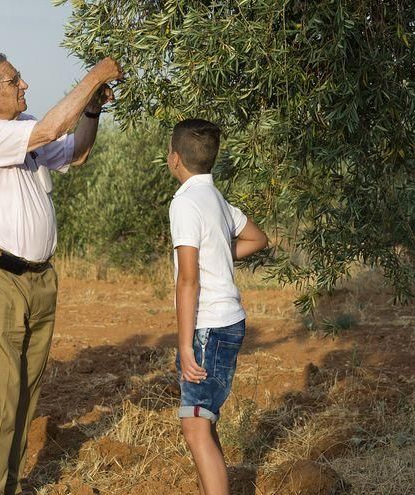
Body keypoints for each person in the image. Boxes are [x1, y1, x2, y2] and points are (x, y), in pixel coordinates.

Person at [0, 53, 121, 494]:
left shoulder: (19, 127)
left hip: (37, 277)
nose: (24, 84)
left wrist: (92, 109)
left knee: (25, 389)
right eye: (14, 79)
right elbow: (50, 130)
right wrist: (95, 75)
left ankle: (4, 484)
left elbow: (74, 153)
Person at [167, 119, 268, 495]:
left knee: (194, 426)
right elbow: (258, 237)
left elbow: (188, 279)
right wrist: (221, 256)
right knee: (204, 421)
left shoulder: (185, 203)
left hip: (208, 326)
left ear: (174, 158)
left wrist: (183, 344)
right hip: (229, 322)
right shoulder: (216, 199)